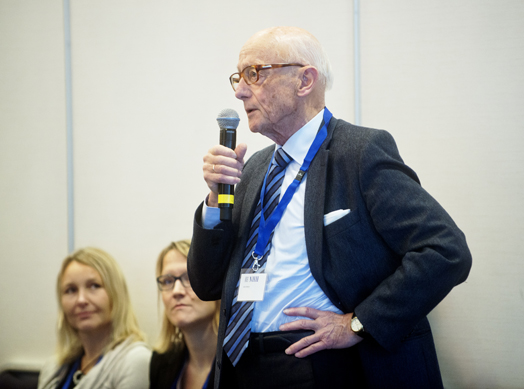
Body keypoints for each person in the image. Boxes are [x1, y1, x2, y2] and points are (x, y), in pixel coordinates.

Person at [187, 26, 472, 389]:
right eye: (238, 78)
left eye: (254, 74)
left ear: (304, 80)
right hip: (243, 366)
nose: (241, 90)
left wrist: (358, 323)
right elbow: (206, 283)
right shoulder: (255, 168)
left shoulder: (360, 152)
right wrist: (215, 200)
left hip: (329, 367)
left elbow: (445, 251)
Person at [37, 247, 151, 389]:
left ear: (116, 293)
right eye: (71, 290)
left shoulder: (135, 360)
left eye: (94, 286)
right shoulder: (53, 367)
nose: (81, 300)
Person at [150, 240, 219, 389]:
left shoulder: (242, 363)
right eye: (168, 281)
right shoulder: (160, 363)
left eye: (189, 277)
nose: (177, 291)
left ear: (215, 286)